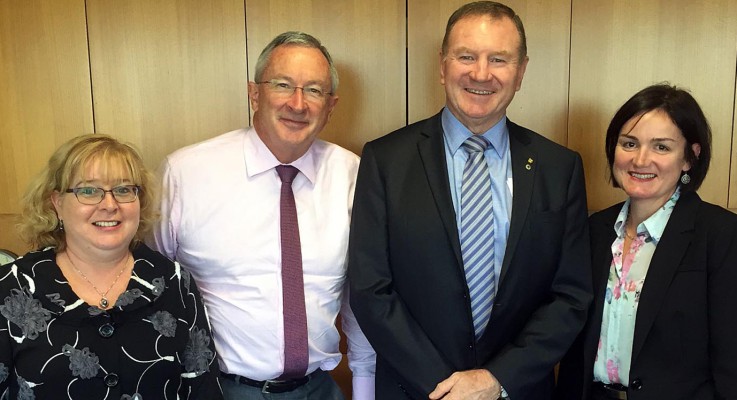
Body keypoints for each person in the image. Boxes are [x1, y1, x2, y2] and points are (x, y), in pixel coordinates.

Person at [348, 1, 592, 399]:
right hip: (416, 390)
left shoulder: (558, 168)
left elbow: (570, 296)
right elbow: (370, 289)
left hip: (517, 390)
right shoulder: (385, 160)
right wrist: (447, 388)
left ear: (521, 72)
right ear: (442, 66)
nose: (481, 73)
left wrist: (497, 380)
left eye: (499, 59)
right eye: (466, 56)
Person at [148, 31, 375, 400]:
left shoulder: (354, 176)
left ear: (331, 105)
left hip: (319, 390)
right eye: (283, 85)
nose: (297, 104)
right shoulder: (185, 174)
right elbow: (150, 290)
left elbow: (361, 299)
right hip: (220, 389)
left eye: (314, 90)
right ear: (255, 93)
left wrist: (364, 392)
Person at [0, 134, 221, 399]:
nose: (109, 205)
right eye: (88, 191)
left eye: (124, 190)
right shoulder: (11, 287)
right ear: (57, 203)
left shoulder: (174, 281)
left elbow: (203, 387)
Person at [555, 84, 737, 399]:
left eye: (661, 147)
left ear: (689, 157)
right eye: (629, 143)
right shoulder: (595, 229)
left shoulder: (720, 234)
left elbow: (731, 360)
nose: (640, 160)